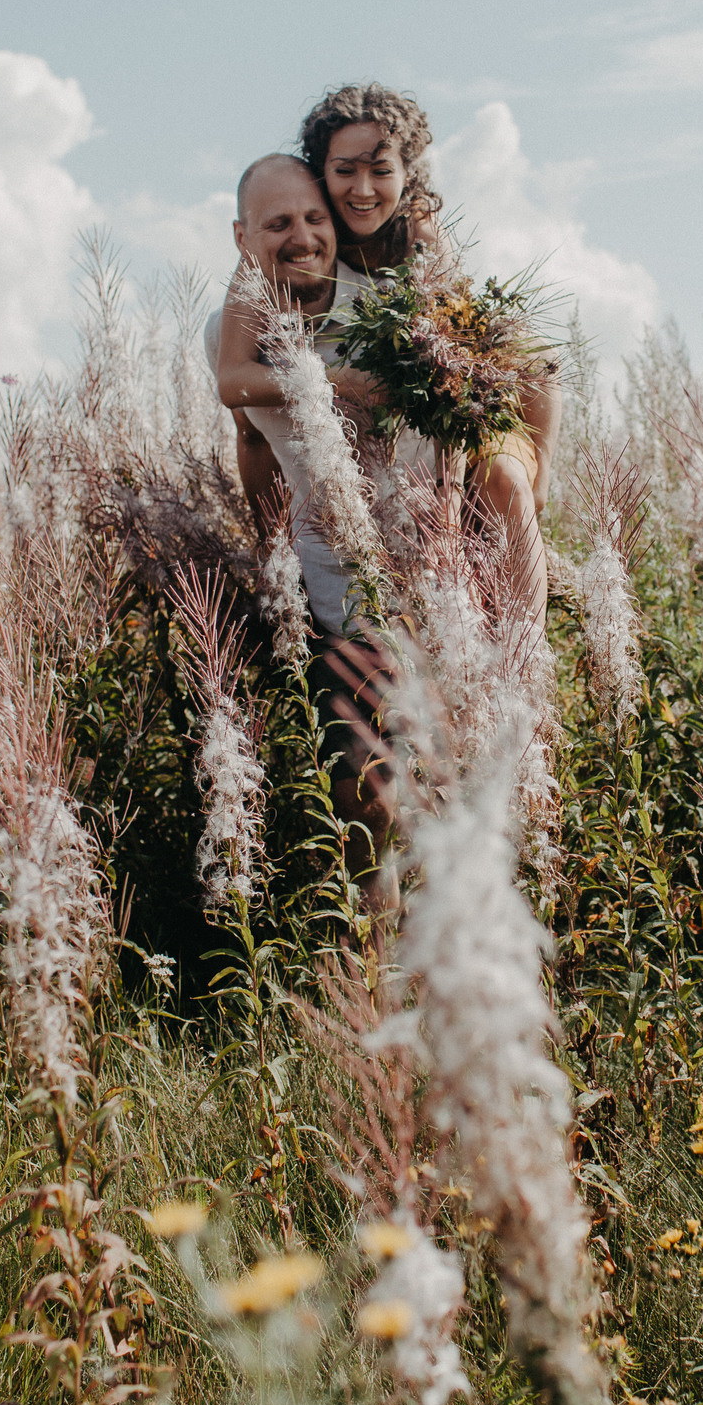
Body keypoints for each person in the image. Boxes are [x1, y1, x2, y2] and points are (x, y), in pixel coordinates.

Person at [209, 152, 411, 888]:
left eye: (313, 217)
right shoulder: (233, 324)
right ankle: (374, 966)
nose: (301, 236)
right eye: (278, 223)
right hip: (332, 591)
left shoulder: (382, 307)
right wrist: (271, 560)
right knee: (364, 787)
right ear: (242, 236)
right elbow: (250, 433)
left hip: (428, 574)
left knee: (437, 773)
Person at [296, 83, 558, 618]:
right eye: (345, 170)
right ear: (320, 172)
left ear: (408, 175)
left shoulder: (421, 243)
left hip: (468, 408)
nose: (363, 189)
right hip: (396, 434)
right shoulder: (310, 237)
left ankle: (527, 657)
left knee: (507, 480)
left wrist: (452, 510)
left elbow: (458, 388)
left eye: (381, 171)